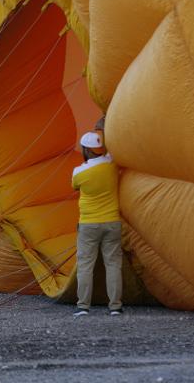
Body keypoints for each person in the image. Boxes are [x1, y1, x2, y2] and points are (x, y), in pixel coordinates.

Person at [71, 131, 123, 317]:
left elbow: (74, 186)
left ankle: (83, 306)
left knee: (85, 265)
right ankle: (115, 307)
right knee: (113, 264)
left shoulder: (79, 172)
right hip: (112, 222)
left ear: (85, 150)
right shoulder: (112, 163)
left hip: (88, 224)